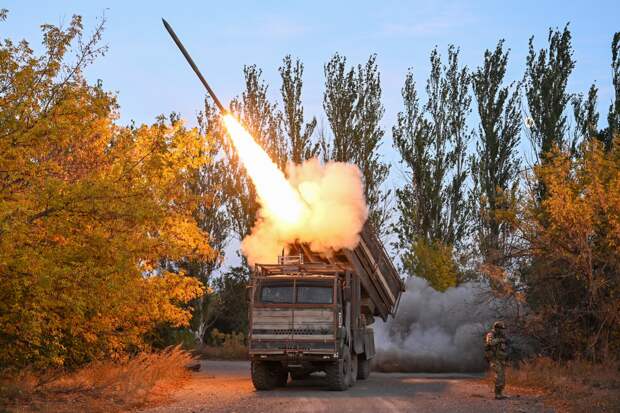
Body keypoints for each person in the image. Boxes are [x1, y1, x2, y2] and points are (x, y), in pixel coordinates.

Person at [485, 321, 508, 399]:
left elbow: (503, 348)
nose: (502, 330)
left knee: (503, 376)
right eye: (501, 328)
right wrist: (499, 340)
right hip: (493, 358)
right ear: (496, 328)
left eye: (502, 329)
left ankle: (500, 393)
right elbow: (490, 343)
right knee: (499, 375)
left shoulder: (501, 336)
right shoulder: (490, 334)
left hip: (500, 358)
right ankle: (497, 394)